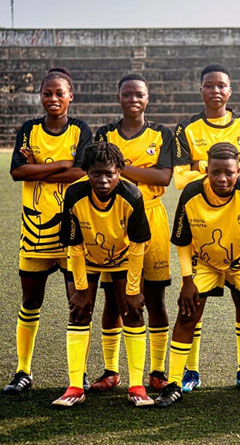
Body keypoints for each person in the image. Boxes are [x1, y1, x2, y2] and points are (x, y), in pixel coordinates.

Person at [155, 142, 240, 407]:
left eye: (229, 173)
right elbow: (183, 242)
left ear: (238, 171)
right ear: (206, 171)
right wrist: (187, 281)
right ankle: (174, 383)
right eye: (216, 172)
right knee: (188, 313)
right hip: (205, 262)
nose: (222, 178)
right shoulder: (191, 194)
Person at [173, 64, 240, 392]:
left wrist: (201, 166)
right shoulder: (186, 128)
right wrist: (217, 170)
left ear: (230, 90)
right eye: (209, 86)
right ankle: (190, 371)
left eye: (221, 85)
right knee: (193, 306)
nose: (215, 91)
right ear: (201, 90)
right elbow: (179, 178)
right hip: (203, 227)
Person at [4, 67, 92, 394]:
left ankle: (78, 374)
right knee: (30, 302)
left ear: (71, 96)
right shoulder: (29, 129)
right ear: (40, 96)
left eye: (59, 93)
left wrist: (38, 168)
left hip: (72, 231)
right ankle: (23, 371)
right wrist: (62, 164)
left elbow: (82, 173)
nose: (53, 99)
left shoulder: (81, 130)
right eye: (47, 93)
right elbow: (17, 172)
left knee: (78, 304)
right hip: (35, 230)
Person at [53, 141, 153, 407]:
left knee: (132, 312)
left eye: (109, 173)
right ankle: (75, 387)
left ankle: (136, 386)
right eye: (96, 173)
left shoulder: (132, 196)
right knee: (79, 311)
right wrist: (81, 289)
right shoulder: (74, 194)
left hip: (122, 258)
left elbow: (138, 246)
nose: (103, 180)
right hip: (86, 258)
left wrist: (133, 290)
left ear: (119, 171)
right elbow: (74, 245)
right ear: (86, 172)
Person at [92, 74, 173, 392]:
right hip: (113, 219)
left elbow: (163, 177)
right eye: (127, 94)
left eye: (139, 94)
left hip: (152, 217)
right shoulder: (105, 133)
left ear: (148, 98)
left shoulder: (161, 133)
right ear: (119, 97)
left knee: (154, 298)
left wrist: (119, 168)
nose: (133, 99)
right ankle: (111, 370)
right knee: (113, 299)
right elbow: (99, 172)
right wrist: (139, 171)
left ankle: (158, 370)